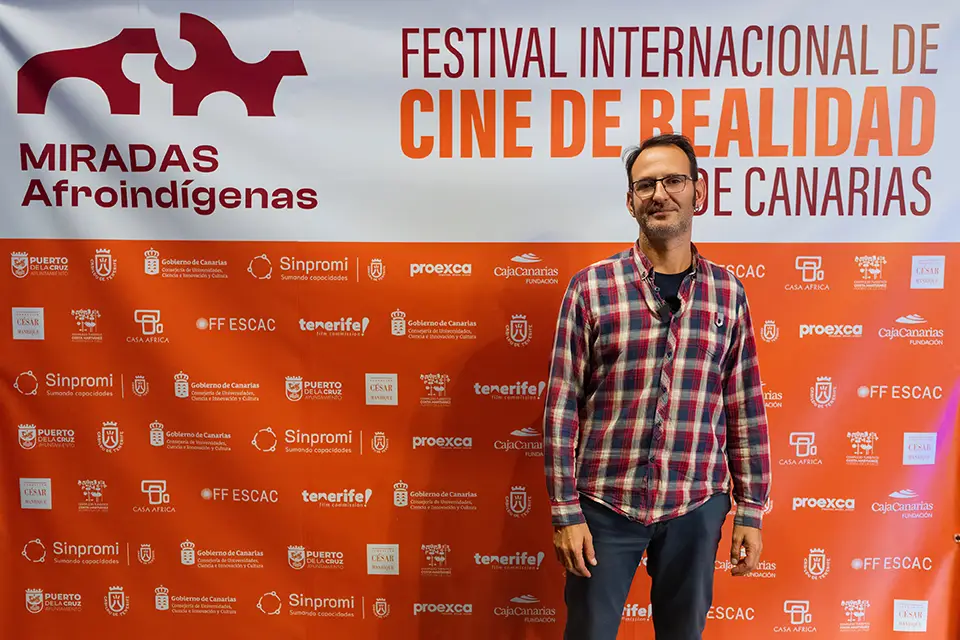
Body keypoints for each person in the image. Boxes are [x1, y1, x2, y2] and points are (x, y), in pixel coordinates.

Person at [542, 133, 772, 640]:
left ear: (698, 192)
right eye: (645, 185)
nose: (659, 194)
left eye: (673, 181)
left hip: (695, 502)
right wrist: (565, 511)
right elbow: (561, 409)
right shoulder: (591, 288)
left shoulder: (727, 293)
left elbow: (745, 407)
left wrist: (751, 510)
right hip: (604, 504)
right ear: (631, 201)